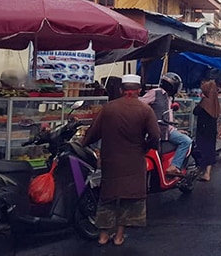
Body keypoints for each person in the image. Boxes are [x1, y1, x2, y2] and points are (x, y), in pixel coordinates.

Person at [80, 74, 160, 246]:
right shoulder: (145, 110)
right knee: (127, 198)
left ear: (122, 90)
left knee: (107, 196)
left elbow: (93, 132)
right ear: (139, 90)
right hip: (133, 160)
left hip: (110, 160)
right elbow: (155, 136)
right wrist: (145, 147)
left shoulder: (109, 108)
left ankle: (102, 236)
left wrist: (82, 144)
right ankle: (118, 237)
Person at [140, 72, 192, 176]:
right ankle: (175, 165)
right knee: (186, 141)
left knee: (187, 139)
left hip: (168, 129)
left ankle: (174, 165)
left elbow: (169, 117)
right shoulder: (155, 92)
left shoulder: (169, 97)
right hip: (156, 129)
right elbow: (140, 104)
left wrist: (176, 130)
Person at [193, 79, 221, 182]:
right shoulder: (215, 102)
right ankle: (207, 173)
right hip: (212, 130)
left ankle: (201, 171)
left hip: (202, 130)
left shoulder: (205, 101)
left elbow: (195, 112)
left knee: (201, 150)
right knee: (210, 150)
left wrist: (201, 101)